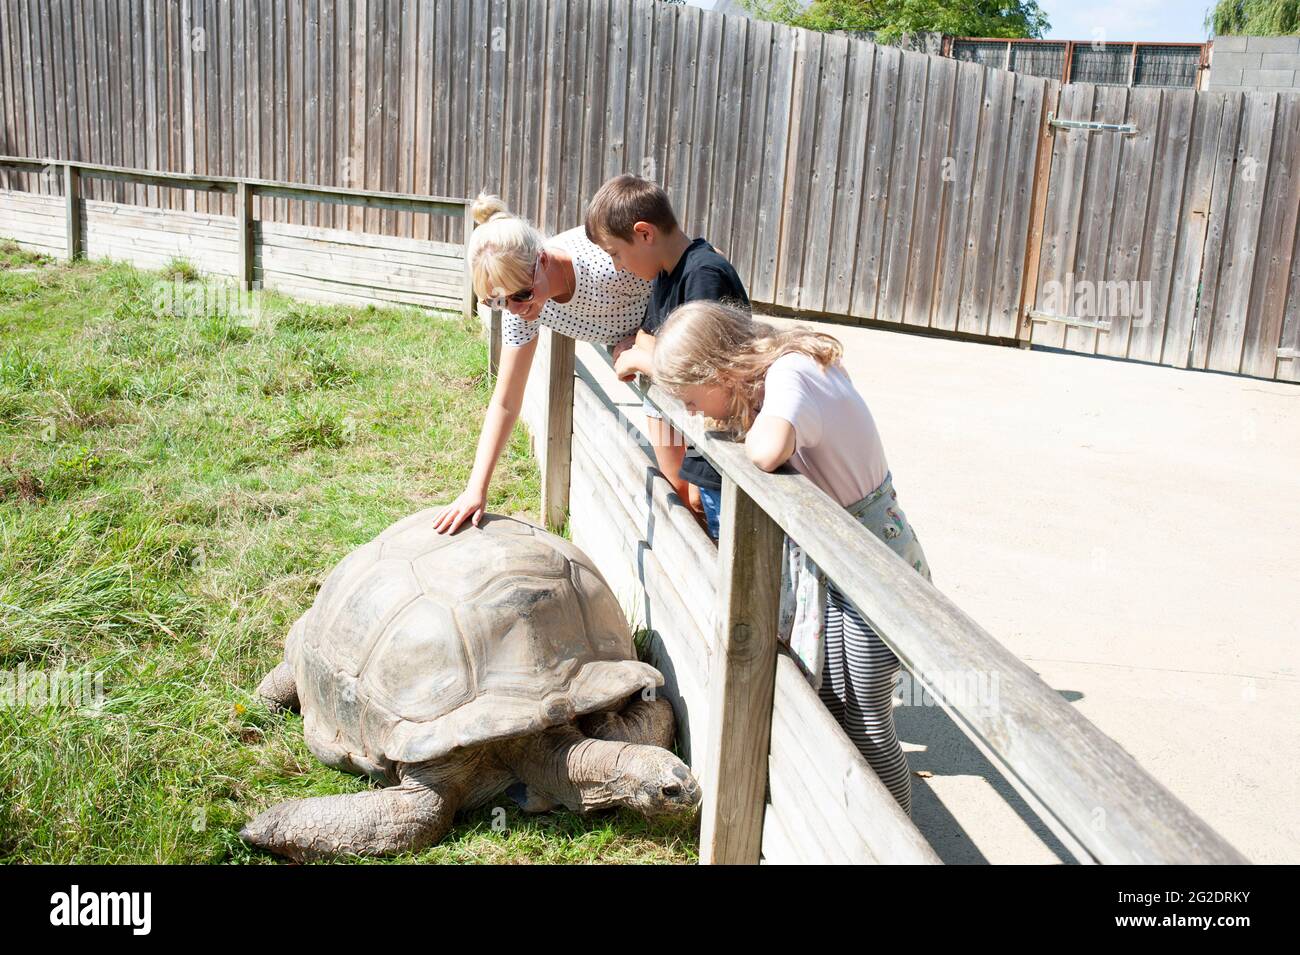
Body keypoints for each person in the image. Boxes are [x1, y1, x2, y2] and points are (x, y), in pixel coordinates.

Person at [649, 299, 932, 817]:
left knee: (867, 717)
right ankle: (844, 824)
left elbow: (765, 450)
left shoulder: (791, 372)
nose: (692, 412)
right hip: (839, 562)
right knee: (832, 703)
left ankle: (896, 837)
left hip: (876, 566)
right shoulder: (774, 374)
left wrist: (745, 421)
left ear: (724, 371)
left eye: (693, 397)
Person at [432, 192, 651, 535]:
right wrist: (476, 488)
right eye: (498, 302)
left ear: (544, 260)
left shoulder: (610, 266)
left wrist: (647, 335)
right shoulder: (524, 309)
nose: (515, 309)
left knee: (692, 489)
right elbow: (505, 401)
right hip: (645, 366)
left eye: (520, 295)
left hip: (678, 341)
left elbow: (682, 270)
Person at [583, 174, 749, 542]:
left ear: (644, 233)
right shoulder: (666, 274)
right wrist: (646, 349)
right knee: (692, 500)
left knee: (717, 517)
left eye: (615, 253)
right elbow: (646, 335)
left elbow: (700, 366)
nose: (618, 266)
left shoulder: (703, 274)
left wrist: (642, 361)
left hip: (728, 432)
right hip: (701, 425)